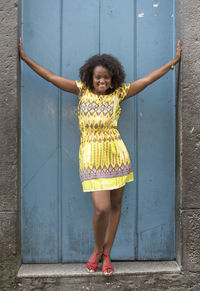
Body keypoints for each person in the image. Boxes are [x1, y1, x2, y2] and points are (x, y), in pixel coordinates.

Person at [19, 37, 182, 276]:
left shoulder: (119, 94)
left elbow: (146, 80)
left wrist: (173, 62)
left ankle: (107, 254)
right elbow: (51, 77)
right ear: (90, 78)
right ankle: (97, 248)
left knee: (115, 205)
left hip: (116, 154)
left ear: (113, 78)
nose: (102, 80)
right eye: (98, 77)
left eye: (106, 77)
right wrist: (24, 58)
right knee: (101, 208)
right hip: (91, 156)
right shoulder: (81, 90)